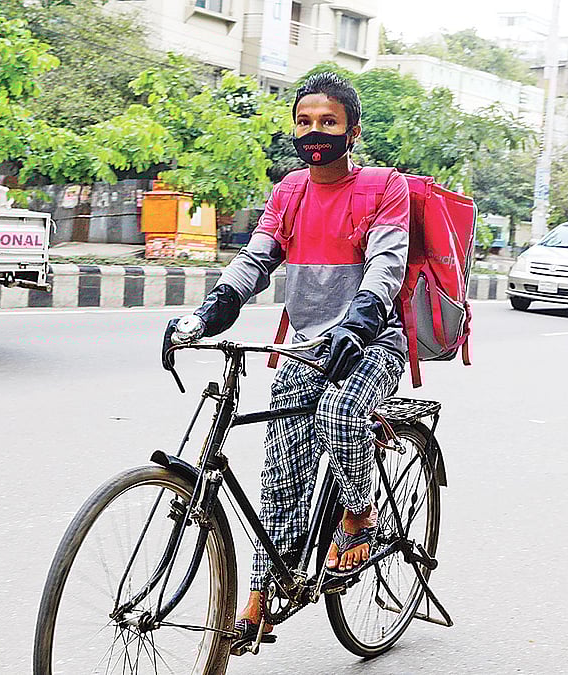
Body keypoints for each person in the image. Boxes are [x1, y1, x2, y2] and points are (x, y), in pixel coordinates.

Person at [162, 72, 410, 643]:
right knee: (280, 473)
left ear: (352, 129)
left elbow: (387, 264)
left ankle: (357, 517)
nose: (314, 132)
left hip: (369, 341)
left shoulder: (382, 187)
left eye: (328, 122)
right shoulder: (291, 192)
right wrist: (210, 311)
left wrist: (361, 318)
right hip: (304, 348)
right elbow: (255, 260)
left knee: (341, 416)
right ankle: (258, 596)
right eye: (304, 122)